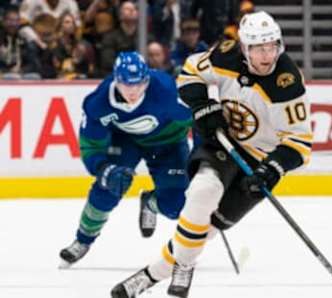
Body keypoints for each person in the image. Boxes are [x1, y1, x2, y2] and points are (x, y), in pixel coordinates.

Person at [110, 11, 312, 298]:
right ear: (244, 47)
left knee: (206, 230)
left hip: (262, 160)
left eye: (272, 46)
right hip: (223, 141)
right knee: (203, 191)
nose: (267, 55)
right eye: (258, 48)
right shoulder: (226, 55)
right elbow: (190, 71)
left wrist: (272, 169)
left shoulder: (288, 83)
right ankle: (178, 268)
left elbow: (299, 142)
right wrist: (203, 105)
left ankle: (150, 275)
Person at [59, 51, 192, 267]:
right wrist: (103, 169)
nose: (134, 91)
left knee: (175, 206)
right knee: (108, 187)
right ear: (116, 80)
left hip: (169, 143)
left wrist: (203, 148)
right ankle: (82, 240)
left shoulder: (164, 89)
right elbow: (91, 145)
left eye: (140, 84)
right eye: (127, 84)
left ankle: (150, 202)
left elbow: (194, 117)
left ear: (147, 79)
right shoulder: (97, 103)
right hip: (126, 141)